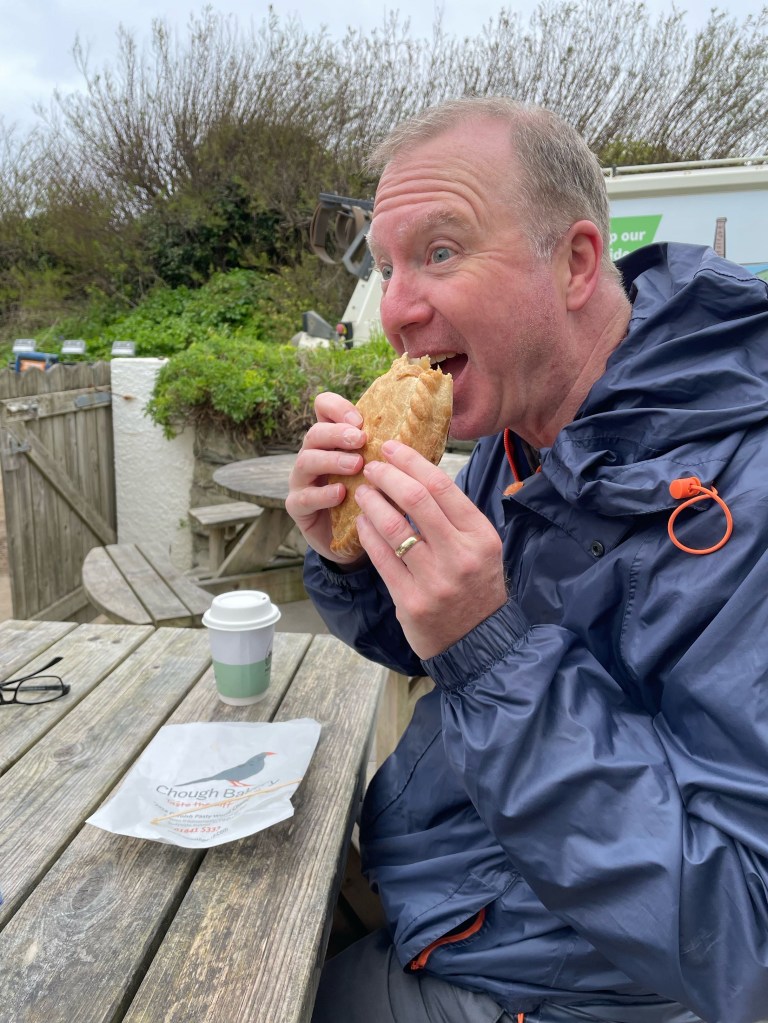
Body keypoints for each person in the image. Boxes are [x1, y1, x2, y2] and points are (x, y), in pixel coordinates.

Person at [284, 96, 768, 1023]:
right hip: (453, 887)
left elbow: (745, 938)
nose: (396, 310)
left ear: (576, 262)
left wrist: (489, 648)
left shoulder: (743, 496)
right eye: (386, 267)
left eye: (440, 251)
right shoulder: (517, 437)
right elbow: (434, 646)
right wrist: (352, 559)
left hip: (578, 987)